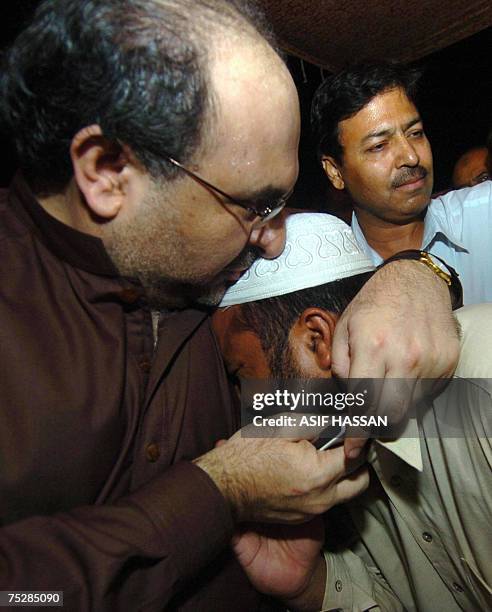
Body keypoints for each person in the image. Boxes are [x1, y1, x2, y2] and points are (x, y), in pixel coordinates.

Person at [0, 1, 460, 609]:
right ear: (109, 172)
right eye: (255, 207)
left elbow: (339, 402)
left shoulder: (215, 287)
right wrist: (217, 494)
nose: (274, 238)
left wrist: (422, 273)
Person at [213, 212, 492, 611]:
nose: (245, 401)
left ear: (317, 340)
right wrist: (311, 586)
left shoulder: (483, 386)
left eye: (241, 374)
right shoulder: (329, 484)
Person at [311, 62, 492, 305]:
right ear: (335, 171)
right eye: (379, 146)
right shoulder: (325, 280)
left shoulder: (483, 214)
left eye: (415, 133)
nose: (411, 157)